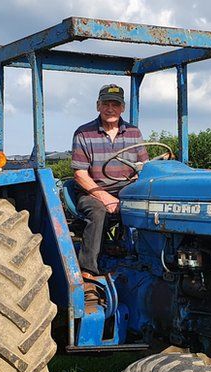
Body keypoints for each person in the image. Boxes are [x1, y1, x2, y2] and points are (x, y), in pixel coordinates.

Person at [70, 83, 148, 278]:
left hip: (126, 190)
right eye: (106, 103)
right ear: (98, 105)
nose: (110, 109)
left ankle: (145, 261)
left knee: (153, 207)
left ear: (122, 108)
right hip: (93, 191)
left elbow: (144, 167)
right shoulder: (83, 133)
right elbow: (80, 174)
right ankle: (88, 272)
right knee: (97, 212)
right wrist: (104, 197)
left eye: (115, 104)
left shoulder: (133, 132)